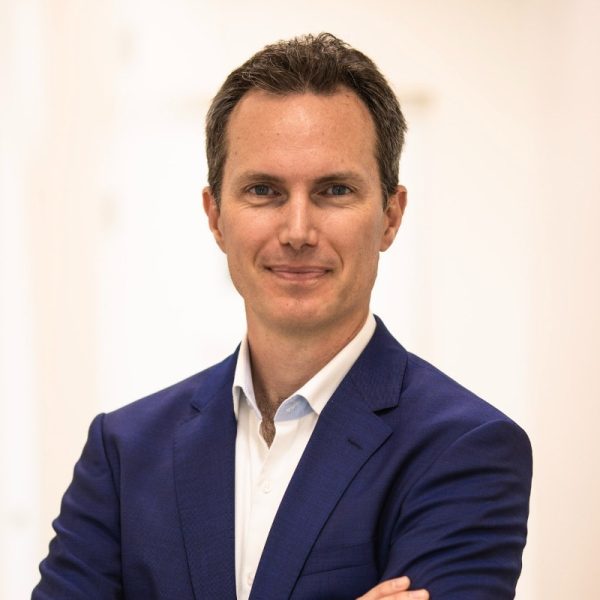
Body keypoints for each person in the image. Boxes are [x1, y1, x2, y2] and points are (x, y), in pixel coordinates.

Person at [33, 33, 532, 600]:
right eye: (264, 190)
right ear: (216, 217)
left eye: (334, 190)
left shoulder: (465, 449)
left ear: (390, 216)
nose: (297, 231)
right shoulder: (123, 452)